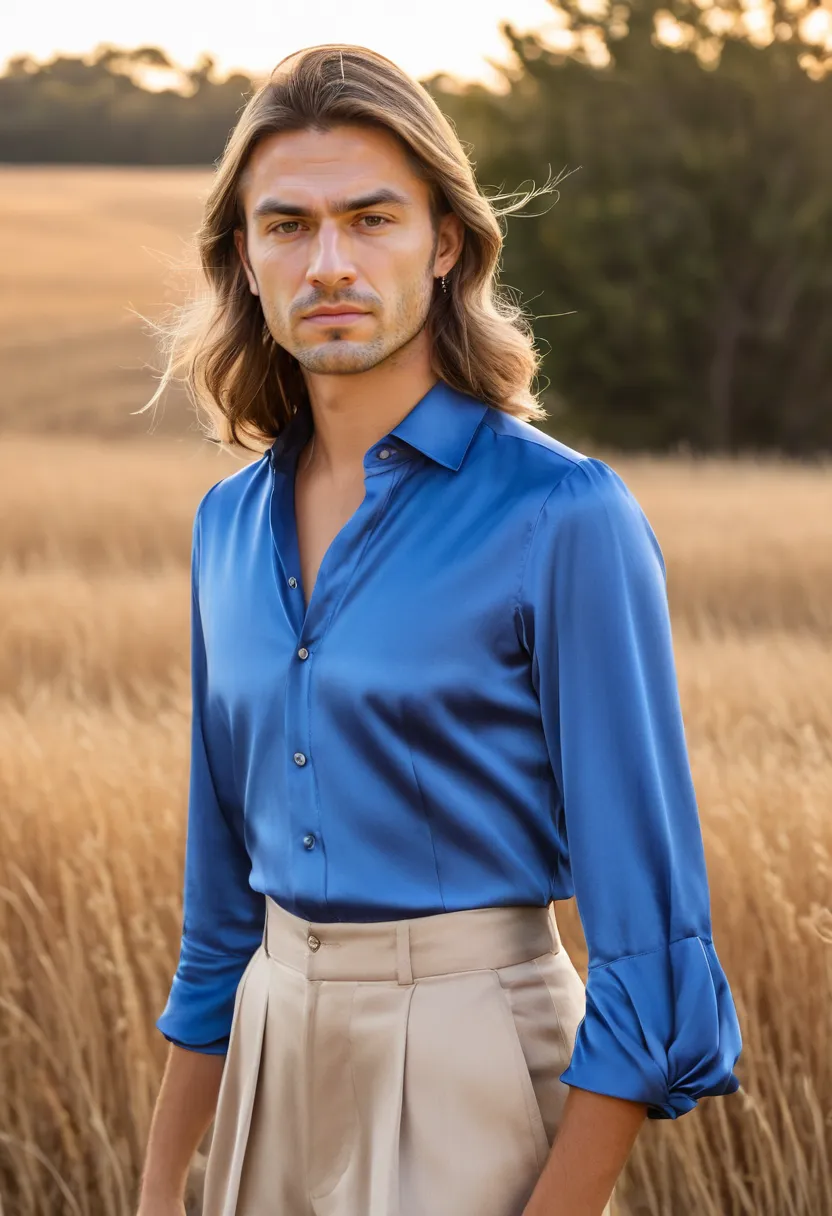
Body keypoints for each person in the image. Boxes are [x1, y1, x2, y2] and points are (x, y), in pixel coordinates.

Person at [136, 43, 741, 1216]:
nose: (328, 263)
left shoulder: (561, 515)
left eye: (372, 219)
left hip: (471, 1064)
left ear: (446, 242)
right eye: (287, 226)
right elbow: (217, 925)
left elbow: (651, 953)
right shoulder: (225, 528)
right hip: (266, 1054)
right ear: (245, 259)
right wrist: (161, 1187)